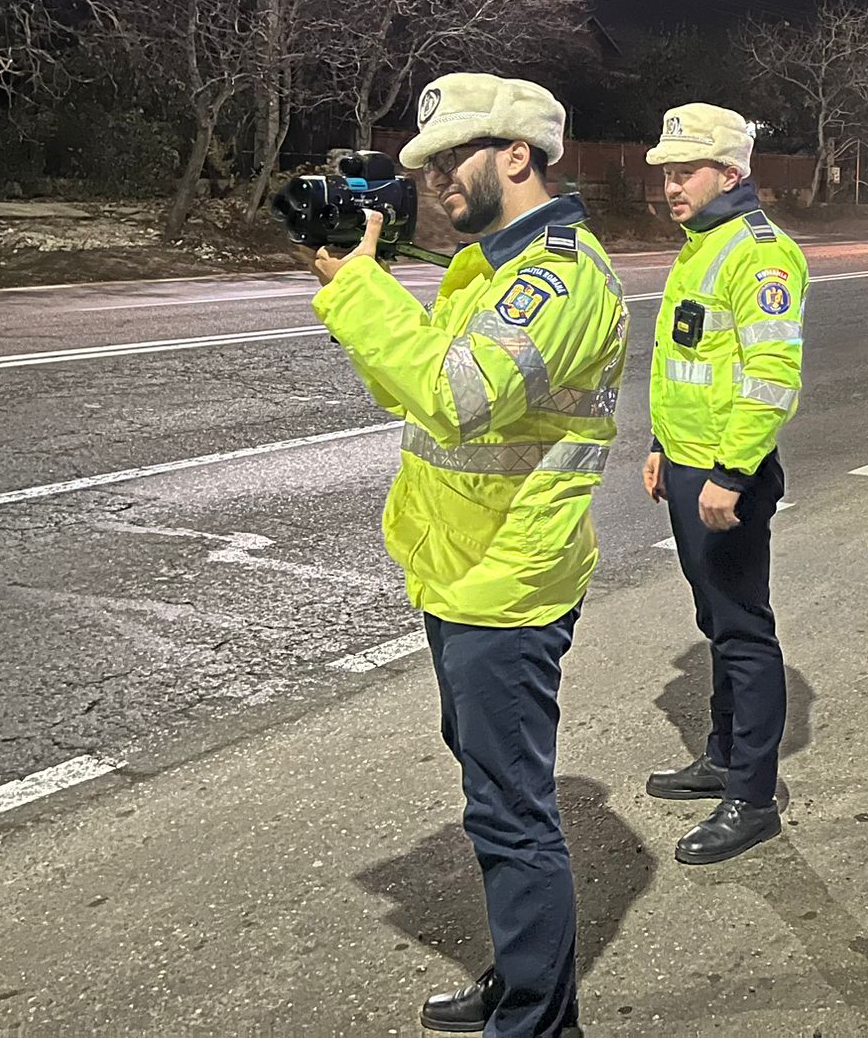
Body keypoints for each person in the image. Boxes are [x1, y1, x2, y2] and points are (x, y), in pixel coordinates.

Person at [303, 73, 626, 1038]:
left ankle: (538, 1020)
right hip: (460, 568)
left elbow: (453, 393)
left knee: (512, 817)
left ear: (516, 155)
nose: (435, 180)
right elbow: (406, 395)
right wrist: (350, 291)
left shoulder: (558, 276)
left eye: (451, 159)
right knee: (491, 805)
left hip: (508, 583)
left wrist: (359, 288)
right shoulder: (485, 269)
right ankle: (522, 975)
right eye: (427, 165)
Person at [640, 103, 809, 864]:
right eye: (668, 173)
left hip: (724, 479)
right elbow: (694, 365)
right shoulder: (701, 243)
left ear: (731, 173)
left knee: (743, 630)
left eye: (686, 172)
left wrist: (731, 474)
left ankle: (751, 796)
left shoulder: (758, 254)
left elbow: (772, 376)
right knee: (716, 621)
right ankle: (720, 755)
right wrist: (658, 447)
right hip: (687, 466)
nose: (671, 185)